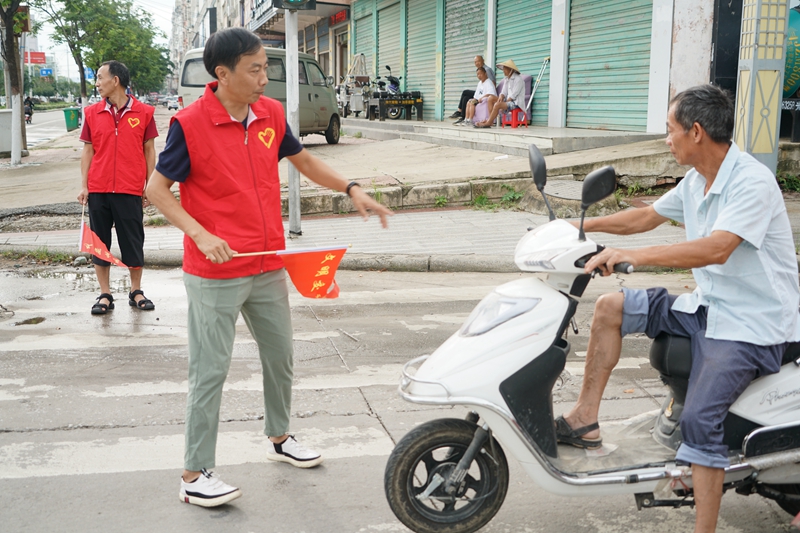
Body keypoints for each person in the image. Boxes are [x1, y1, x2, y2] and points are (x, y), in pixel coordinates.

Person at [145, 27, 393, 508]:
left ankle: (280, 439)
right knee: (210, 370)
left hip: (265, 263)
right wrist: (200, 233)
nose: (264, 78)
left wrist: (352, 188)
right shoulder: (189, 124)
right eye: (255, 69)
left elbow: (304, 162)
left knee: (280, 357)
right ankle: (193, 473)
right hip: (216, 270)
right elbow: (156, 191)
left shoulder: (270, 115)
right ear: (223, 74)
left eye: (266, 68)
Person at [557, 84, 799, 533]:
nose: (666, 139)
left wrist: (637, 258)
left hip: (752, 324)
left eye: (670, 130)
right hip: (709, 305)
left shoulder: (751, 181)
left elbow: (718, 248)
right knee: (611, 308)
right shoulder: (697, 180)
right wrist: (573, 226)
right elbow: (644, 217)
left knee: (699, 421)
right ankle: (584, 420)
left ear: (697, 132)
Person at [77, 60, 158, 315]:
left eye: (100, 78)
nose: (97, 83)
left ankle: (136, 291)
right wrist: (84, 185)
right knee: (99, 243)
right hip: (99, 188)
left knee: (132, 241)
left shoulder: (144, 112)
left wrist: (149, 185)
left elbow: (149, 150)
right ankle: (105, 294)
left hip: (129, 188)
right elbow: (88, 150)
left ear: (116, 80)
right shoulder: (92, 112)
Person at [474, 59, 525, 128]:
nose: (503, 71)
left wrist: (502, 104)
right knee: (490, 98)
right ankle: (491, 121)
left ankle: (488, 122)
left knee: (498, 105)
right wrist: (501, 97)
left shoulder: (518, 79)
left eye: (505, 69)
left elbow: (513, 96)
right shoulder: (507, 79)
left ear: (510, 70)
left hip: (516, 103)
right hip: (508, 101)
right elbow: (503, 92)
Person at [450, 55, 495, 124]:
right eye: (475, 62)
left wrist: (484, 95)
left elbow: (492, 84)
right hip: (482, 92)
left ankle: (460, 111)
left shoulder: (487, 70)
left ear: (483, 60)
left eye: (478, 61)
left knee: (465, 92)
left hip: (486, 93)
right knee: (466, 98)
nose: (477, 63)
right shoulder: (480, 79)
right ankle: (465, 118)